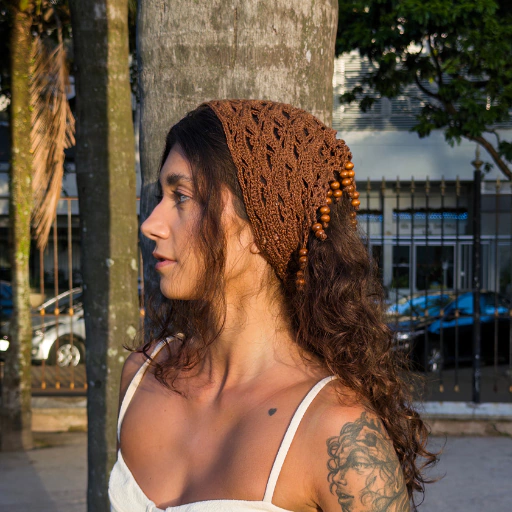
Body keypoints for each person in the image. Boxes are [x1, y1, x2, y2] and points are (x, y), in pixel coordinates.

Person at [109, 100, 436, 512]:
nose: (151, 224)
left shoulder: (335, 430)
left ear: (260, 225)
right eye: (162, 196)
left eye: (182, 197)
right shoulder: (142, 375)